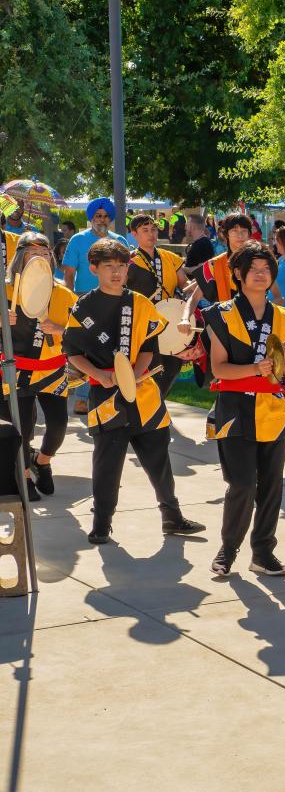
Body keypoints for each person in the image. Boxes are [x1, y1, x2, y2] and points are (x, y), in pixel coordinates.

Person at [62, 238, 205, 545]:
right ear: (94, 269)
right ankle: (102, 524)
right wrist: (100, 374)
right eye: (109, 267)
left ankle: (172, 516)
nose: (116, 273)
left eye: (121, 266)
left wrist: (136, 374)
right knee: (107, 465)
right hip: (106, 395)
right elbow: (73, 353)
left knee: (159, 459)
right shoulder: (83, 307)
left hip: (144, 394)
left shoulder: (139, 303)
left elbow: (150, 347)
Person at [205, 241, 285, 577]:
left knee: (272, 485)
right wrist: (254, 369)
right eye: (254, 269)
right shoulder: (220, 315)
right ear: (238, 275)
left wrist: (282, 363)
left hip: (272, 411)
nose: (261, 275)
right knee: (243, 484)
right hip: (234, 408)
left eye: (266, 269)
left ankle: (262, 552)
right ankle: (228, 548)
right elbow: (219, 368)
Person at [1, 232, 76, 500]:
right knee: (22, 429)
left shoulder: (64, 294)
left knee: (58, 426)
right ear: (21, 257)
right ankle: (23, 475)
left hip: (54, 369)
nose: (41, 258)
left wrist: (60, 328)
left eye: (45, 253)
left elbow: (81, 333)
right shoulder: (4, 290)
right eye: (34, 253)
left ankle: (42, 461)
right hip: (17, 370)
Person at [62, 198, 131, 414]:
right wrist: (71, 299)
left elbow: (126, 270)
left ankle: (120, 386)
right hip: (84, 299)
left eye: (105, 216)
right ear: (91, 218)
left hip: (114, 301)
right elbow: (69, 273)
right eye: (98, 215)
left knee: (112, 345)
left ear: (110, 219)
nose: (102, 219)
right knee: (86, 348)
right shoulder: (77, 240)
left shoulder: (120, 240)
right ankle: (82, 397)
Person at [127, 213, 200, 396]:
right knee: (150, 368)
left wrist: (203, 281)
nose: (151, 234)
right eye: (145, 230)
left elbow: (184, 286)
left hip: (170, 320)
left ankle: (158, 403)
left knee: (172, 366)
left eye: (153, 229)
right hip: (144, 325)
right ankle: (151, 408)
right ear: (134, 234)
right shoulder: (128, 261)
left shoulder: (169, 257)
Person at [193, 213, 254, 305]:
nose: (240, 235)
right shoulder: (215, 263)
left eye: (244, 231)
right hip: (225, 317)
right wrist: (185, 317)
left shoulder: (259, 260)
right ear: (226, 234)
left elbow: (277, 296)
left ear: (249, 234)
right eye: (234, 231)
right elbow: (194, 298)